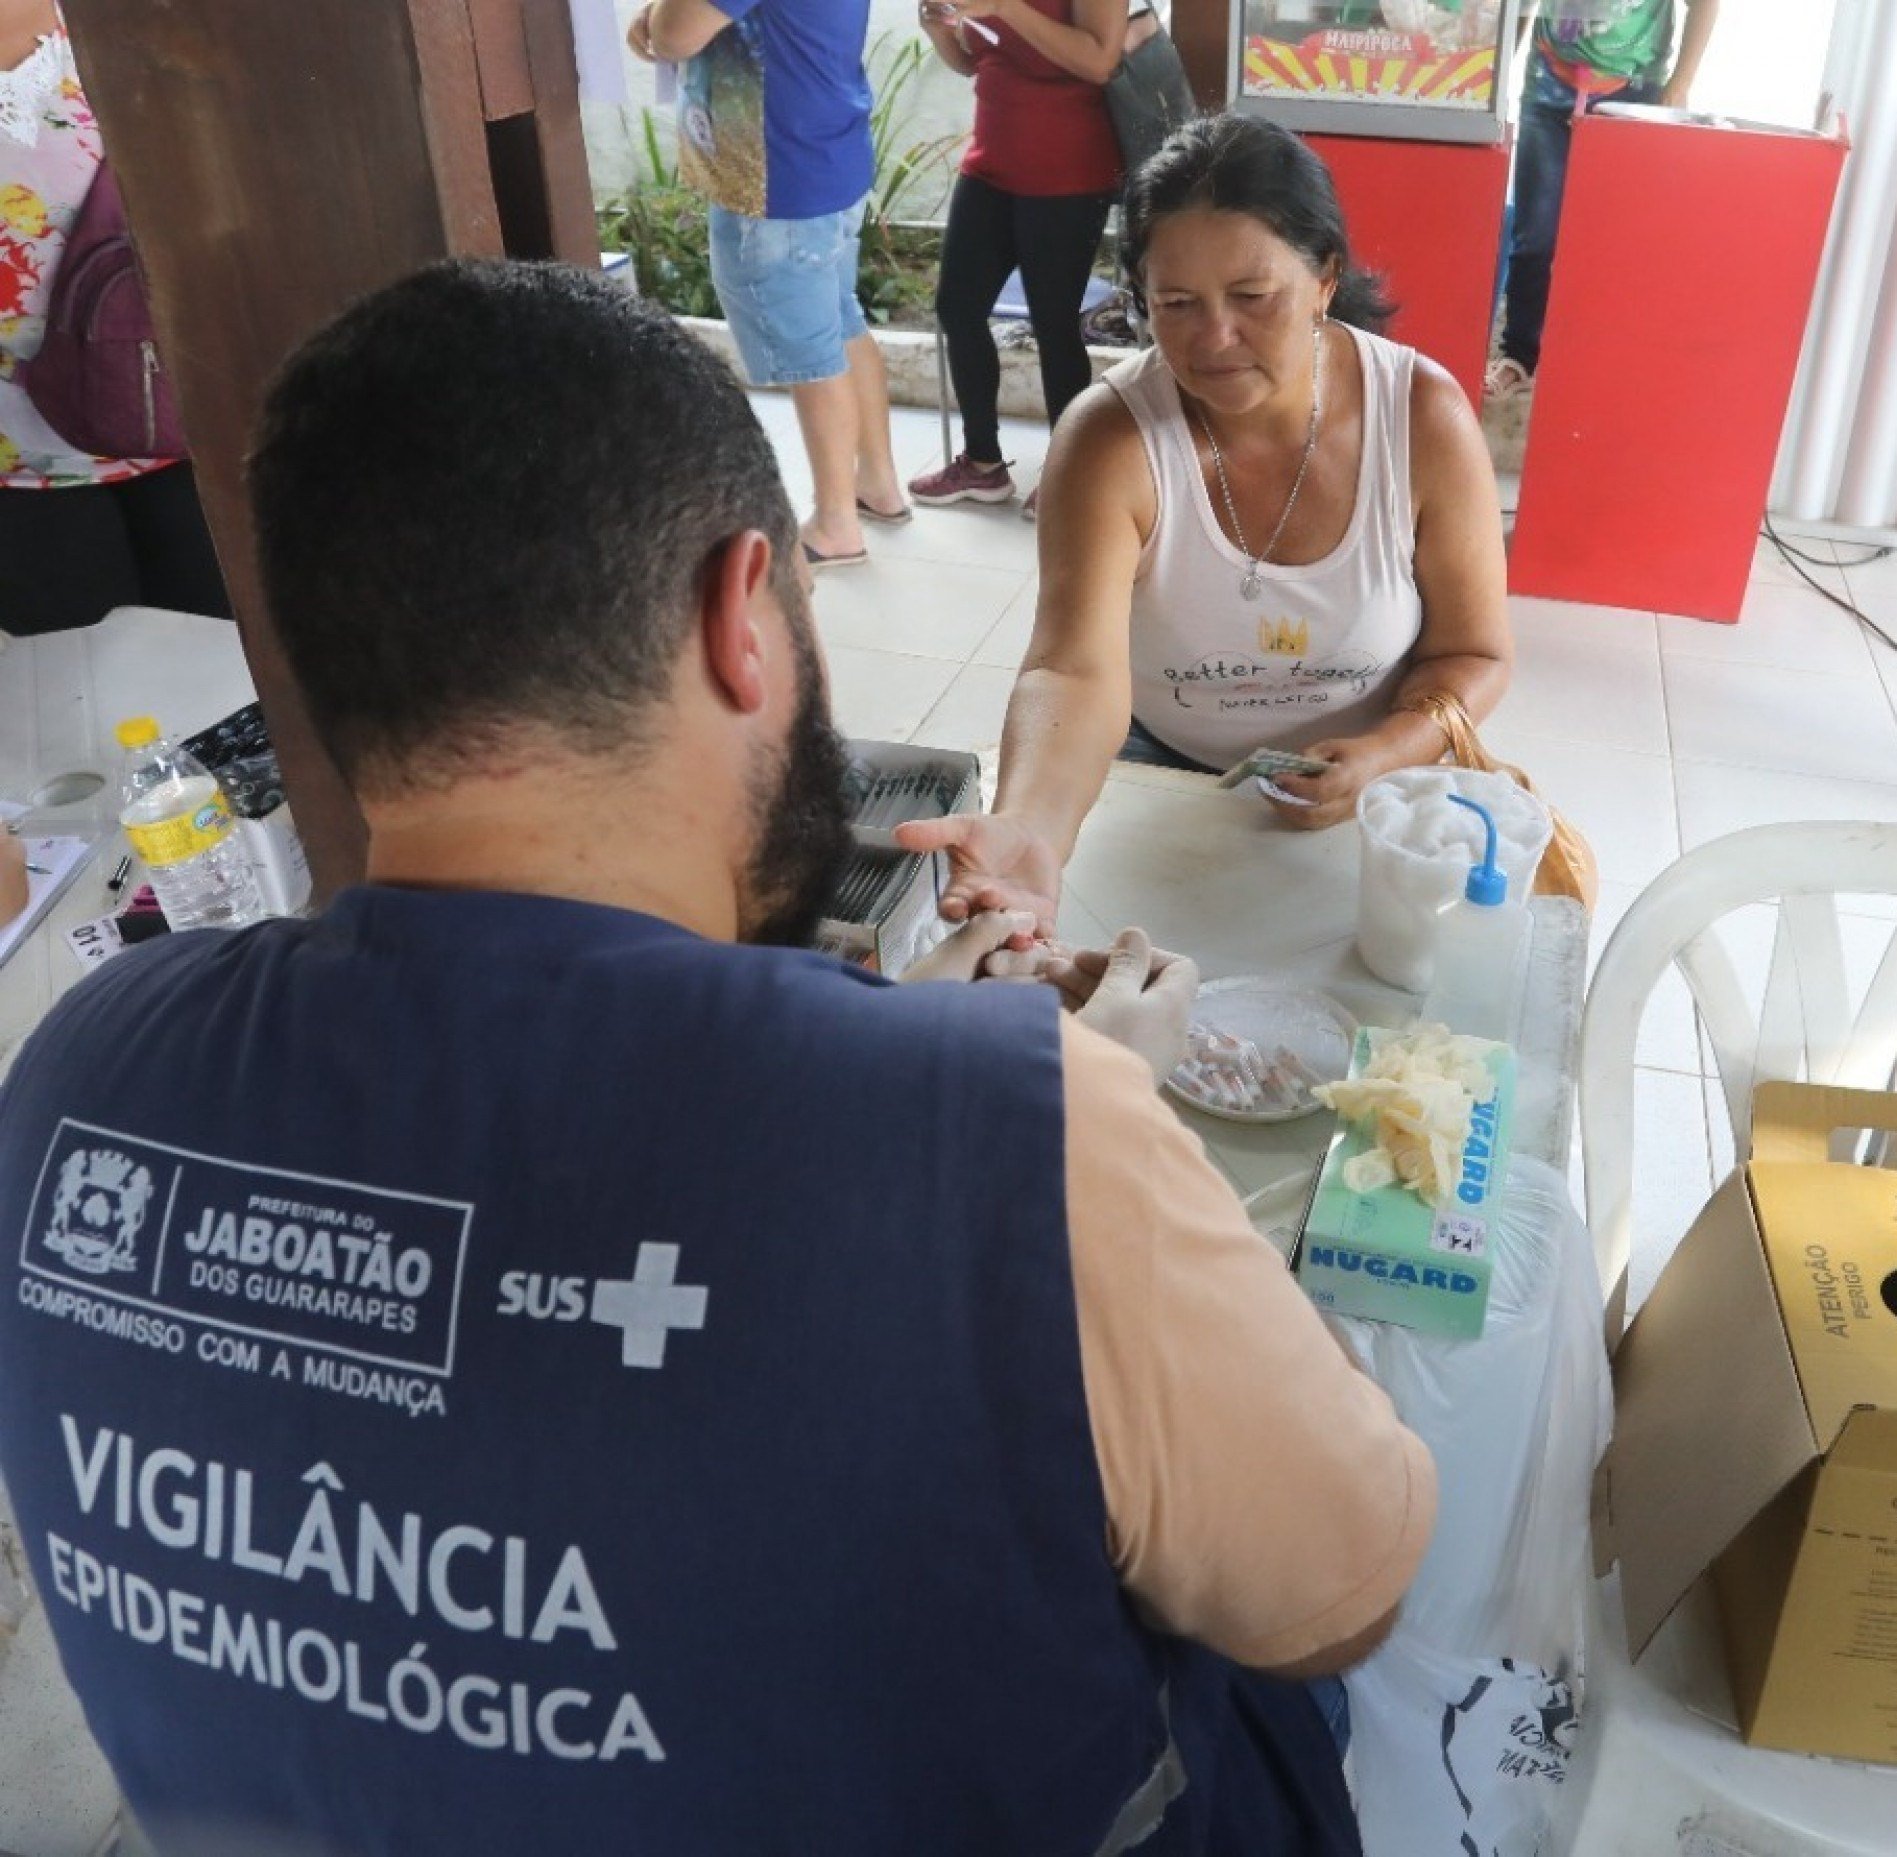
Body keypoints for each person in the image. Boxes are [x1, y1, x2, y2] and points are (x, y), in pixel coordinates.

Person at [0, 259, 1434, 1854]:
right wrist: (1064, 1146)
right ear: (740, 616)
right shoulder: (1027, 1140)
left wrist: (935, 1077)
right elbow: (1341, 1588)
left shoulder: (77, 1071)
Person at [899, 113, 1513, 934]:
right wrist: (1030, 824)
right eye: (1176, 303)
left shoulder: (1420, 416)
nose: (1214, 338)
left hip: (1377, 774)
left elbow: (1474, 652)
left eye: (1254, 298)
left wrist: (1388, 752)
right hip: (1166, 770)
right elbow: (1072, 671)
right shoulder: (1110, 439)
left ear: (1326, 278)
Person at [627, 0, 908, 569]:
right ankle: (877, 484)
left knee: (810, 352)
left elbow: (676, 33)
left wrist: (658, 15)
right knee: (839, 320)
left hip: (778, 182)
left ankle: (836, 524)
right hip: (826, 155)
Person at [0, 0, 230, 634]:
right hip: (17, 469)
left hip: (183, 419)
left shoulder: (113, 18)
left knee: (237, 670)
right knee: (80, 697)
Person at [906, 0, 1127, 520]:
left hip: (1067, 173)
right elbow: (973, 60)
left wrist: (1006, 6)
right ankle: (982, 462)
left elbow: (1100, 61)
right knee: (957, 308)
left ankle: (1069, 472)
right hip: (990, 164)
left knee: (1054, 323)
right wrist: (938, 28)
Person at [1486, 0, 1720, 400]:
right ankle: (1520, 355)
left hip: (1634, 92)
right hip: (1547, 82)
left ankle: (1597, 362)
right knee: (1536, 237)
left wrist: (1680, 85)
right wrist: (1497, 67)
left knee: (1618, 245)